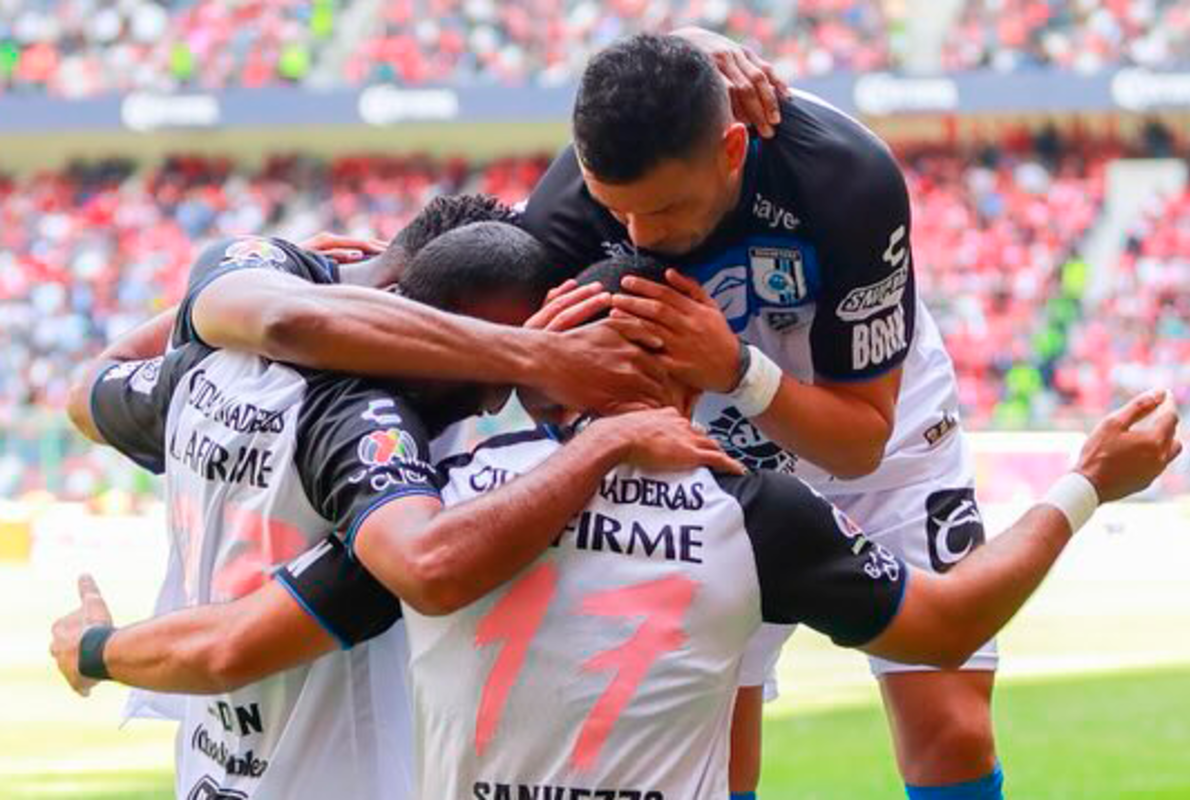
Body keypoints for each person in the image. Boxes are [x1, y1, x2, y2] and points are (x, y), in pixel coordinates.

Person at [53, 253, 1183, 800]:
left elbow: (223, 645)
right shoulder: (751, 509)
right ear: (683, 383)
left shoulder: (442, 501)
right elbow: (951, 618)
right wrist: (1086, 481)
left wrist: (94, 649)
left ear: (546, 362)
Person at [57, 220, 736, 800]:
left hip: (211, 772)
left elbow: (90, 387)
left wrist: (227, 299)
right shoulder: (377, 455)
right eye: (490, 372)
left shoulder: (204, 370)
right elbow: (236, 642)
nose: (493, 403)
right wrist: (600, 432)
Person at [514, 32, 1014, 799]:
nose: (640, 237)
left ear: (732, 148)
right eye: (619, 211)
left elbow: (859, 446)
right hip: (708, 452)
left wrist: (739, 371)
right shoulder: (560, 217)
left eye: (669, 206)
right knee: (713, 748)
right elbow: (537, 394)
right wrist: (544, 377)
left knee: (952, 732)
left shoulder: (846, 176)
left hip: (877, 421)